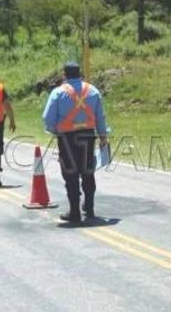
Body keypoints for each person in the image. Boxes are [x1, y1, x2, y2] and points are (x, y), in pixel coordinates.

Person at [42, 62, 108, 223]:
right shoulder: (92, 90)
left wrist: (55, 130)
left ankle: (74, 212)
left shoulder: (58, 92)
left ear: (64, 75)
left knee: (70, 173)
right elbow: (100, 116)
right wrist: (103, 136)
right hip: (87, 136)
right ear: (80, 74)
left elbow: (47, 118)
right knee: (87, 172)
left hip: (67, 138)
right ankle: (90, 208)